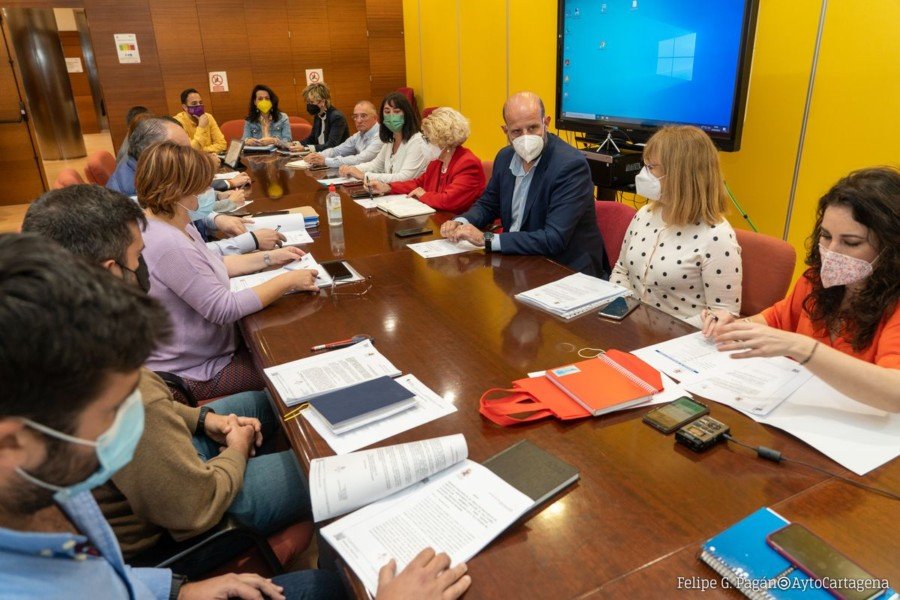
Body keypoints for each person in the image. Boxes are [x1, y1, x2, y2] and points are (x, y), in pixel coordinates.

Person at [0, 234, 470, 600]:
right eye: (111, 412)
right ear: (15, 439)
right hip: (186, 521)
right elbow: (188, 508)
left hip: (159, 577)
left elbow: (101, 583)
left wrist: (173, 591)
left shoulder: (38, 484)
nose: (129, 424)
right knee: (331, 582)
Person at [21, 185, 311, 559]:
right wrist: (236, 450)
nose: (145, 271)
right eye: (138, 258)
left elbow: (154, 413)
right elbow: (194, 508)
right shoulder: (109, 379)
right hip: (176, 530)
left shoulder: (45, 333)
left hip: (157, 468)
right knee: (319, 461)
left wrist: (204, 419)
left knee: (265, 402)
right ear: (110, 272)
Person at [702, 167, 900, 412]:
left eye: (851, 242)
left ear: (891, 247)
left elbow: (896, 393)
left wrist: (802, 348)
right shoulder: (817, 280)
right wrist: (732, 326)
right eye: (826, 236)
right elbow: (774, 319)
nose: (832, 252)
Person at [136, 142, 318, 401]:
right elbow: (223, 309)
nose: (205, 192)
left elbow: (213, 264)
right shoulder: (167, 243)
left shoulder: (172, 223)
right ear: (176, 190)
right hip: (195, 370)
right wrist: (287, 281)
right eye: (199, 187)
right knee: (290, 360)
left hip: (209, 350)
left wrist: (267, 258)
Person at [441, 91, 606, 276]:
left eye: (533, 127)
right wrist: (461, 222)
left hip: (564, 269)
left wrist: (486, 238)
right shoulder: (505, 157)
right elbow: (488, 204)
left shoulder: (570, 165)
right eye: (517, 131)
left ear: (546, 122)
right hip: (519, 262)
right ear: (505, 131)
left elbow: (554, 238)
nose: (526, 137)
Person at [611, 126, 742, 326]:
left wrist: (662, 336)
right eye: (645, 165)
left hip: (680, 342)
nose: (643, 174)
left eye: (652, 167)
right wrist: (621, 317)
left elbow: (722, 315)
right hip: (632, 330)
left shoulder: (717, 236)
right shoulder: (644, 215)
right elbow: (621, 271)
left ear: (680, 176)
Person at [107, 117, 278, 256]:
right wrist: (250, 242)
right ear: (158, 153)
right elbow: (185, 253)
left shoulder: (150, 172)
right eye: (182, 150)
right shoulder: (134, 192)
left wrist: (216, 219)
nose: (190, 157)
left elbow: (181, 210)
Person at [367, 107, 485, 214]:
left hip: (461, 225)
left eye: (428, 139)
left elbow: (449, 201)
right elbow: (418, 183)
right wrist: (387, 187)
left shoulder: (467, 163)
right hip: (438, 219)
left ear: (443, 141)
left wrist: (423, 195)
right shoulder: (437, 161)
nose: (424, 143)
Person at [339, 92, 428, 183]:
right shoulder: (390, 141)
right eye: (387, 112)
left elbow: (404, 178)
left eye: (396, 111)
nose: (391, 116)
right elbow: (376, 165)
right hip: (392, 193)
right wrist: (351, 168)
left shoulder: (418, 141)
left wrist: (364, 176)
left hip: (409, 195)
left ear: (407, 114)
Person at [305, 100, 383, 168]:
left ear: (375, 118)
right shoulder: (358, 135)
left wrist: (326, 161)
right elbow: (337, 151)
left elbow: (360, 159)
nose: (359, 120)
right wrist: (317, 156)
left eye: (363, 116)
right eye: (356, 116)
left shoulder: (381, 135)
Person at [173, 87, 227, 154]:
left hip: (212, 159)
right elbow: (190, 152)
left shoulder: (208, 117)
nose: (199, 105)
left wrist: (201, 151)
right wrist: (201, 127)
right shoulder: (178, 122)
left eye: (200, 102)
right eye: (194, 103)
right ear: (185, 107)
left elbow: (222, 145)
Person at [297, 82, 349, 151]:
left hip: (337, 157)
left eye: (311, 102)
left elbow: (332, 145)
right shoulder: (318, 115)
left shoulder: (337, 117)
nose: (309, 105)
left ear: (322, 102)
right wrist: (297, 143)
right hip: (322, 155)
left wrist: (305, 148)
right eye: (308, 102)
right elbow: (312, 138)